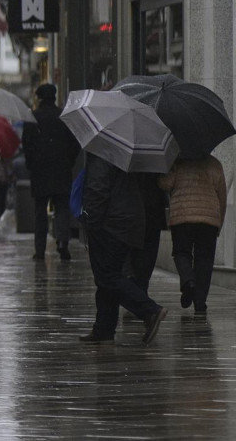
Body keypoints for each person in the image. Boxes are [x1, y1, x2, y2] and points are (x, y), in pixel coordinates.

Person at [77, 153, 167, 345]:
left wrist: (91, 220)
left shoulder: (101, 153)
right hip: (127, 220)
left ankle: (150, 311)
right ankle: (103, 328)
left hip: (110, 224)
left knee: (107, 276)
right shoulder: (125, 155)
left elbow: (98, 188)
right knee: (108, 275)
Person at [159, 157, 227, 315]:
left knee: (181, 253)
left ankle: (189, 282)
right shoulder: (215, 164)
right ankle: (200, 303)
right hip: (209, 221)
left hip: (182, 217)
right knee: (205, 260)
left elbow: (165, 184)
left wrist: (166, 170)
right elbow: (222, 197)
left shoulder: (178, 162)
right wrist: (219, 223)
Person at [21, 83, 80, 260]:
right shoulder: (64, 116)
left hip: (40, 170)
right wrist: (68, 161)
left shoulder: (33, 118)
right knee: (62, 208)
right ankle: (63, 242)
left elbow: (27, 145)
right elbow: (75, 143)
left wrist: (32, 163)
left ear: (39, 99)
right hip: (61, 169)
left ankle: (39, 249)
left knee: (40, 211)